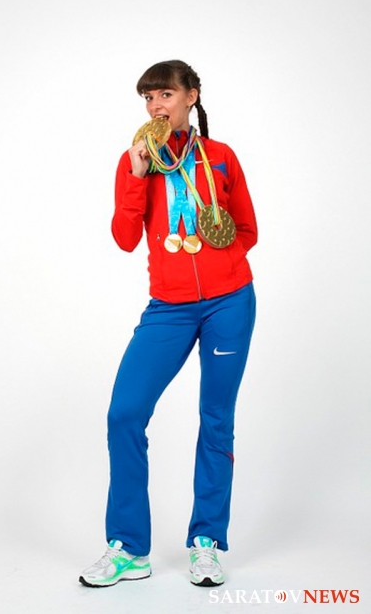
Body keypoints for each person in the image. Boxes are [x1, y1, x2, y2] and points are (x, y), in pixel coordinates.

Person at [79, 60, 257, 588]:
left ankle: (207, 542)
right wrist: (137, 176)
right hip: (169, 308)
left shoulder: (221, 156)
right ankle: (130, 548)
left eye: (165, 94)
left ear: (191, 96)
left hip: (229, 303)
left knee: (216, 418)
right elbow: (124, 238)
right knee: (124, 414)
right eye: (148, 98)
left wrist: (221, 267)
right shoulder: (137, 159)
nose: (156, 105)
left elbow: (246, 228)